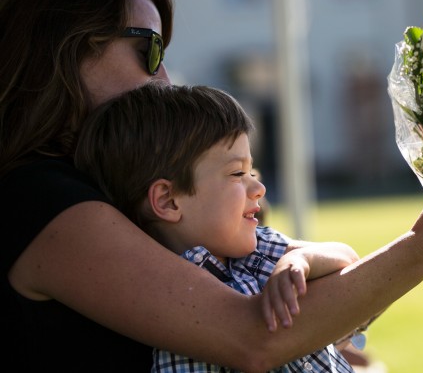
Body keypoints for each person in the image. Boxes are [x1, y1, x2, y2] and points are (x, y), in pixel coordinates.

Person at [0, 0, 423, 372]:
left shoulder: (108, 185)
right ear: (69, 48)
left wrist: (318, 327)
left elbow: (324, 277)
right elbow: (252, 339)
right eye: (151, 50)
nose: (164, 76)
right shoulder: (40, 198)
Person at [74, 81, 360, 372]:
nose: (259, 187)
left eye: (251, 170)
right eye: (237, 173)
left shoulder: (258, 249)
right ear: (169, 200)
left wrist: (300, 259)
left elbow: (347, 257)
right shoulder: (170, 308)